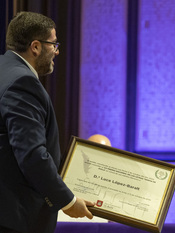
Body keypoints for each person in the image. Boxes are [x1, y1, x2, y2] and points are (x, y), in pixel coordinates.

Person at [0, 12, 95, 233]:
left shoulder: (4, 70)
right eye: (54, 44)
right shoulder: (22, 82)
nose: (57, 51)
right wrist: (68, 201)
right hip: (14, 218)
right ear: (36, 47)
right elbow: (31, 154)